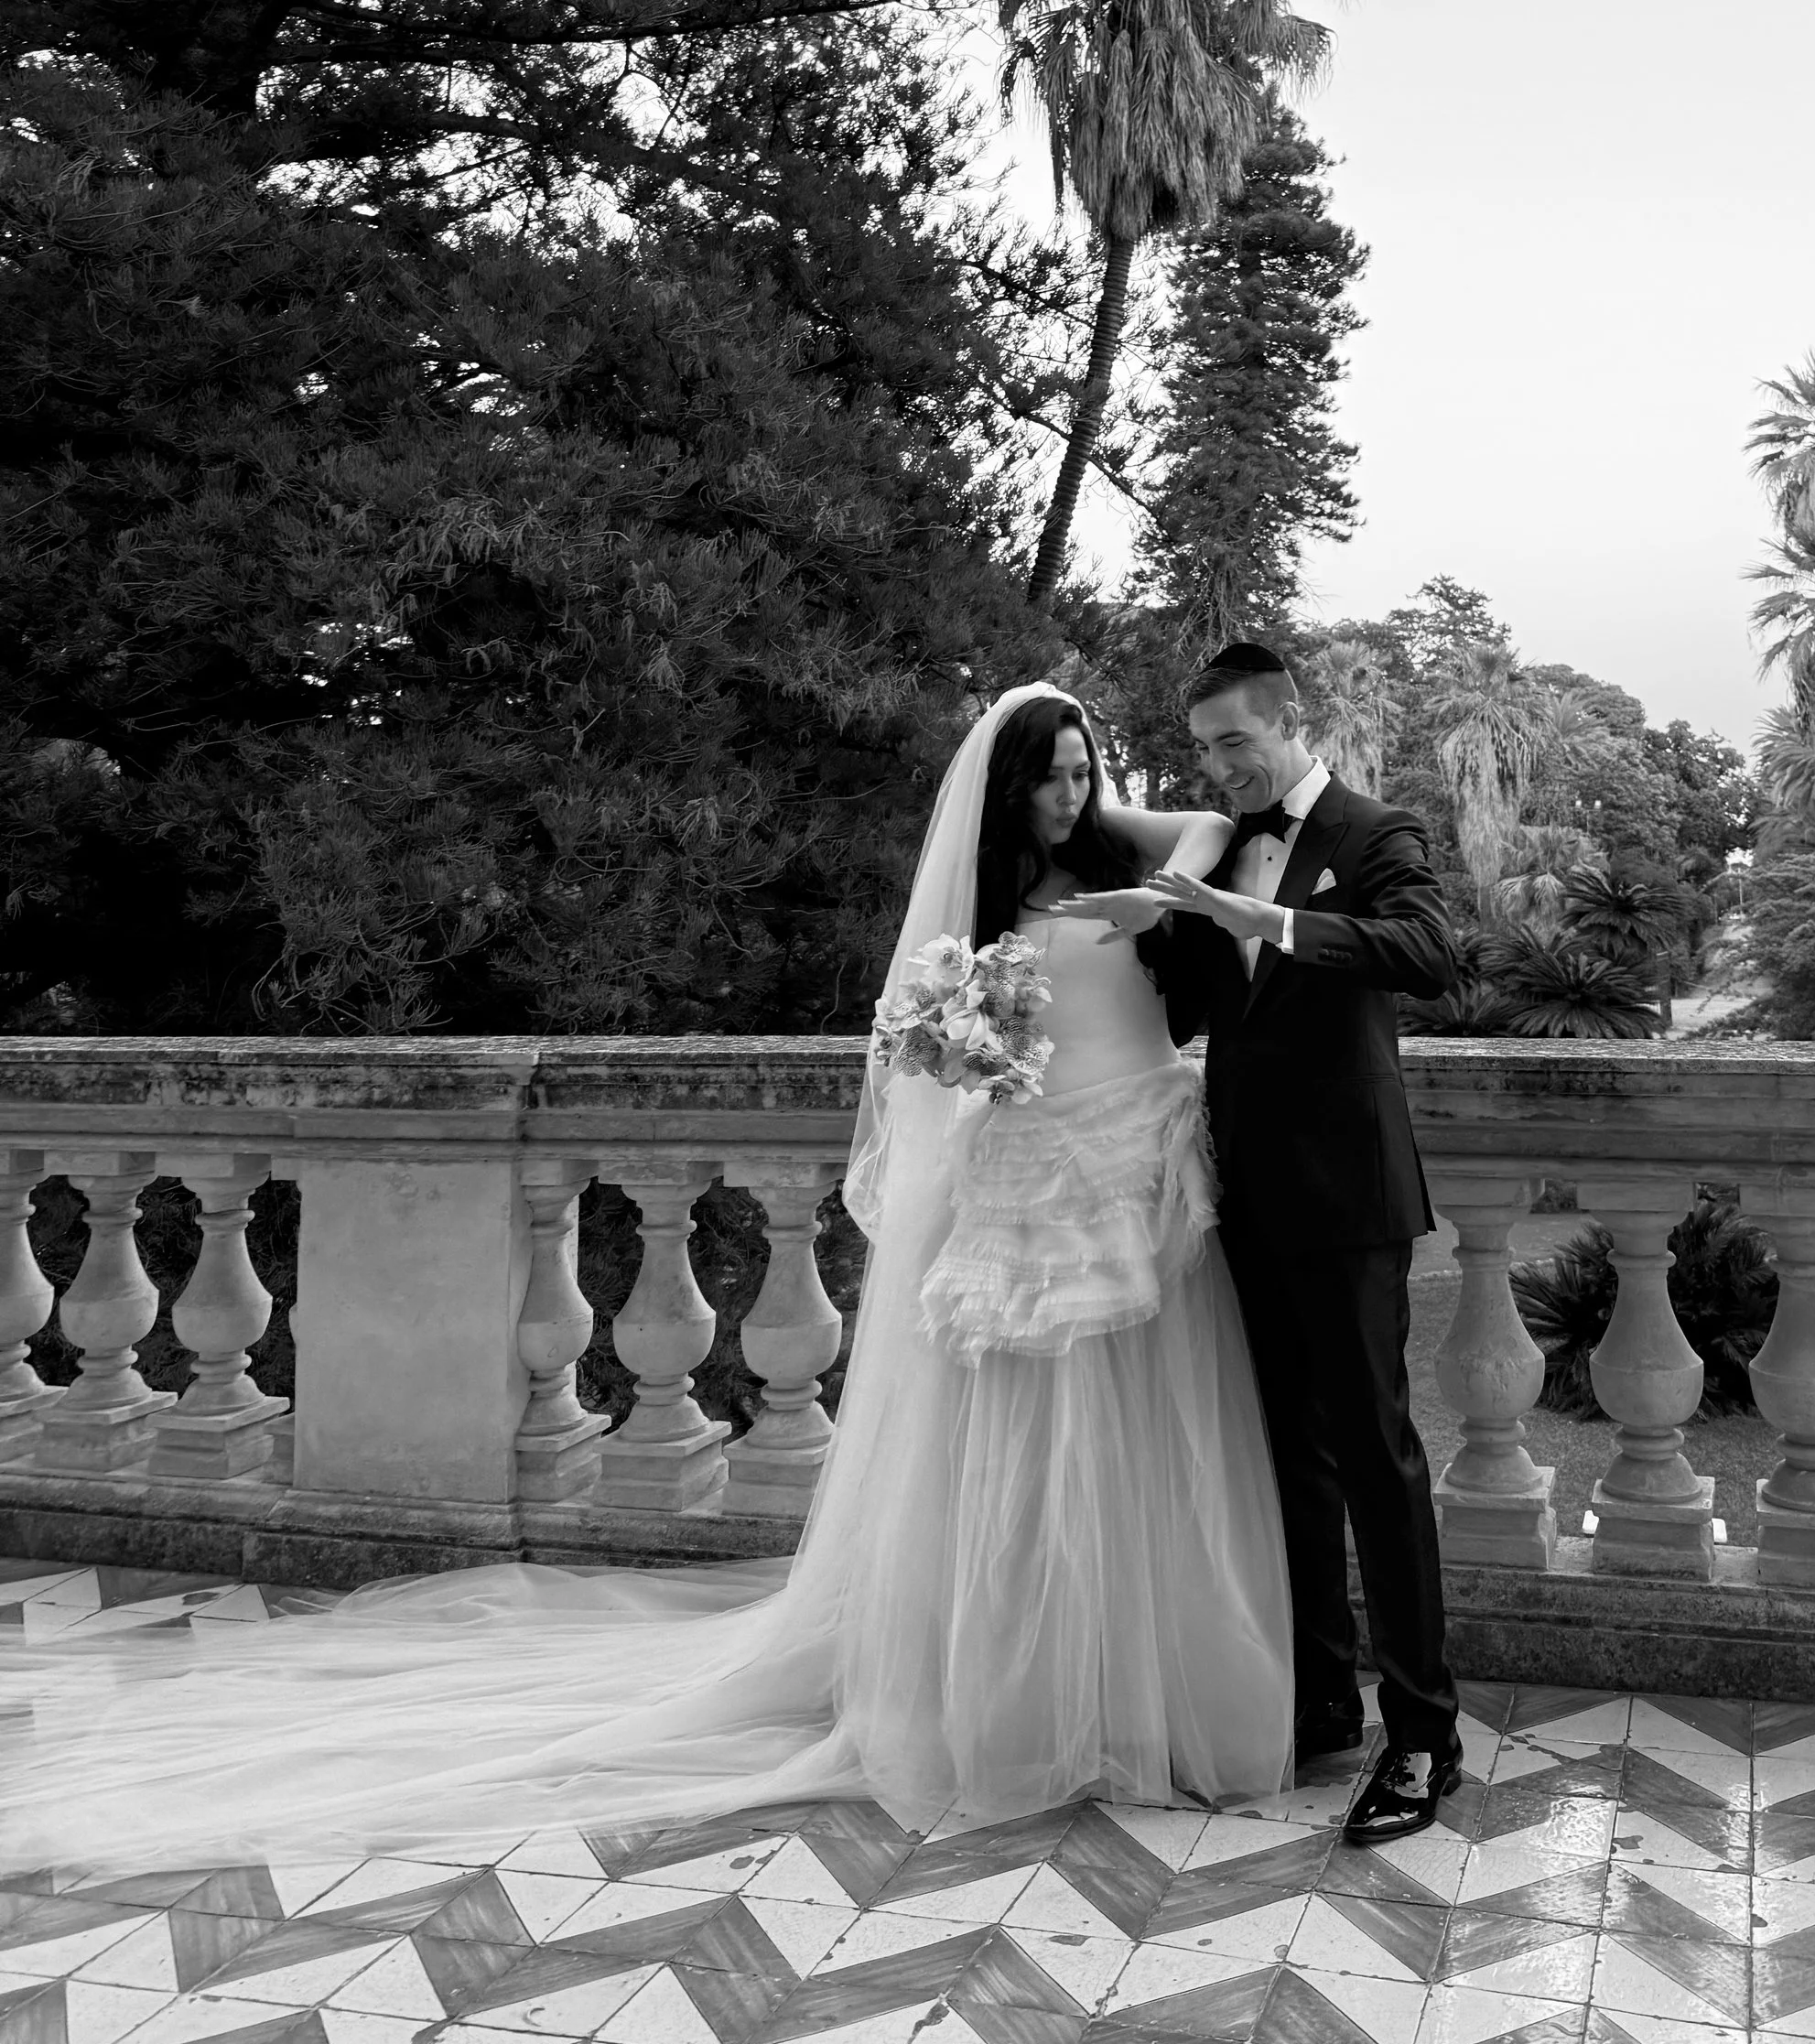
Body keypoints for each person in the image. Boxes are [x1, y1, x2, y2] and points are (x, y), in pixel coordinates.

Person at [0, 684, 1292, 1866]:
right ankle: (1022, 1698)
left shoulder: (1133, 859)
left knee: (1146, 1444)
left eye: (1082, 773)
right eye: (1049, 779)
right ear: (1004, 795)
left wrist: (1105, 813)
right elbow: (930, 1055)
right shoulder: (976, 915)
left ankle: (1145, 1688)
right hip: (1037, 1196)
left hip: (1137, 1173)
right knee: (1027, 1454)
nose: (1072, 796)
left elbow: (1208, 829)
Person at [1115, 640, 1464, 1846]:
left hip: (1352, 1204)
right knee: (1287, 1461)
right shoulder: (1216, 844)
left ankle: (1426, 1737)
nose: (1220, 768)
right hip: (1243, 1202)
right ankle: (1322, 1701)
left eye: (1235, 744)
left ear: (1290, 721)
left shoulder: (1375, 832)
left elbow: (1430, 956)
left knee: (1377, 1457)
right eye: (1205, 750)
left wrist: (1260, 917)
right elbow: (1176, 1007)